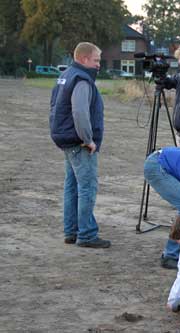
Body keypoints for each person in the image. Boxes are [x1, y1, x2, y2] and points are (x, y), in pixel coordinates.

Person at [49, 42, 111, 248]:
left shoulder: (65, 76)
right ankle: (86, 234)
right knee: (87, 187)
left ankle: (71, 231)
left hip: (65, 139)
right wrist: (88, 139)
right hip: (78, 142)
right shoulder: (82, 80)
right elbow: (80, 112)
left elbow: (53, 106)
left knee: (72, 185)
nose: (98, 65)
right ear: (84, 59)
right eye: (96, 60)